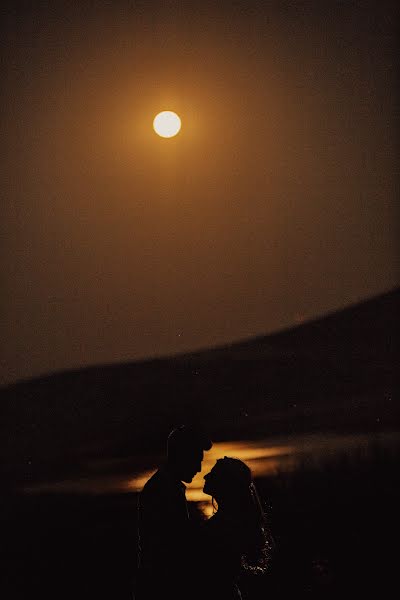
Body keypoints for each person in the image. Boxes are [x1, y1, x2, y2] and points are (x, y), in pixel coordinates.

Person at [135, 424, 212, 600]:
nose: (199, 469)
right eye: (197, 460)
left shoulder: (165, 486)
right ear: (183, 456)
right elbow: (175, 546)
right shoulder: (164, 490)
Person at [197, 456, 273, 600]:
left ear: (225, 484)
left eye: (213, 474)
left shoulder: (220, 527)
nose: (206, 476)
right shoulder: (235, 522)